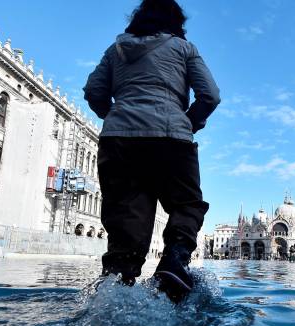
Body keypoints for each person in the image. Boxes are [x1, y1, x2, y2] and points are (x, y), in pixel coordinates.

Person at [84, 0, 220, 302]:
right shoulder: (184, 48)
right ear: (175, 23)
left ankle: (116, 287)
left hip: (119, 142)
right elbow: (210, 95)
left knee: (126, 218)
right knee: (187, 204)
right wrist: (190, 121)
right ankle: (174, 260)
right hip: (171, 138)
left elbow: (93, 91)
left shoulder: (115, 50)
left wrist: (117, 117)